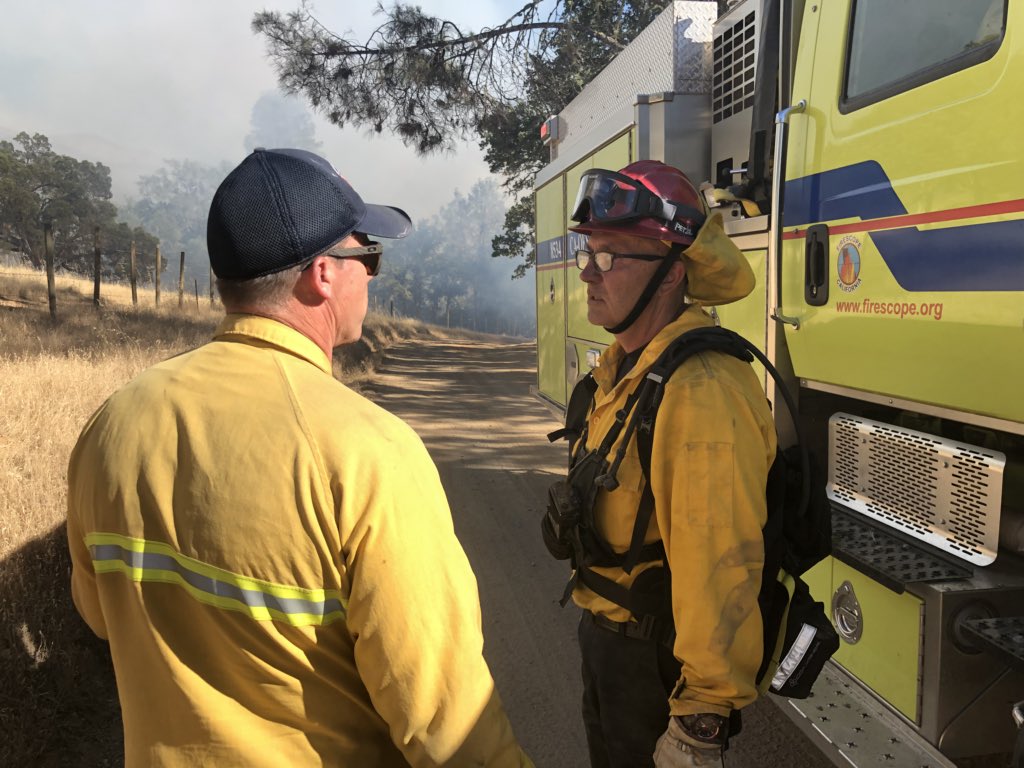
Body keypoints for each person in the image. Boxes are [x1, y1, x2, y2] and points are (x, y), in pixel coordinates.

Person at [67, 147, 532, 768]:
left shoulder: (113, 421)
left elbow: (100, 615)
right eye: (369, 256)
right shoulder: (368, 451)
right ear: (323, 274)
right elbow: (447, 722)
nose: (373, 275)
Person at [543, 160, 777, 768]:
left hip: (657, 675)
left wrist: (699, 723)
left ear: (671, 274)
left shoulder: (700, 390)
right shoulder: (626, 370)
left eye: (608, 257)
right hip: (611, 651)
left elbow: (720, 563)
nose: (588, 274)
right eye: (588, 254)